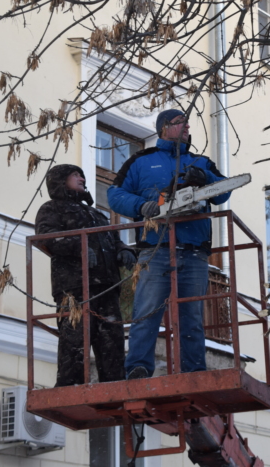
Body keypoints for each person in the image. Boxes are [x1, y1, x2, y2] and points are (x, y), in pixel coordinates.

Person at [107, 109, 231, 379]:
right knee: (147, 311)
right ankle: (138, 367)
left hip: (194, 248)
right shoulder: (142, 161)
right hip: (156, 248)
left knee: (192, 316)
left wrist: (205, 178)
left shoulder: (200, 161)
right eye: (180, 123)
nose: (186, 127)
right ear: (164, 128)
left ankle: (193, 370)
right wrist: (143, 205)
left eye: (187, 123)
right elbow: (114, 194)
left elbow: (223, 193)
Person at [35, 164, 137, 387]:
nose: (82, 179)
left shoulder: (95, 213)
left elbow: (113, 239)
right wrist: (78, 246)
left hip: (106, 287)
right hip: (74, 288)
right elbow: (46, 237)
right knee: (75, 339)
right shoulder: (51, 209)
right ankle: (70, 387)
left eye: (81, 175)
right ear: (61, 181)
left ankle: (114, 386)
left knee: (112, 341)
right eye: (75, 175)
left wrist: (124, 250)